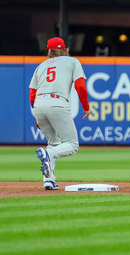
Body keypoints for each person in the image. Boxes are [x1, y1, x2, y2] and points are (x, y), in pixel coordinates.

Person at [29, 37, 90, 190]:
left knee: (53, 143)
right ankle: (48, 155)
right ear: (64, 49)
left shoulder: (41, 66)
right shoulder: (72, 61)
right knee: (72, 145)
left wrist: (38, 115)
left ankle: (48, 180)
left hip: (38, 105)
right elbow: (80, 86)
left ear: (49, 51)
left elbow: (32, 94)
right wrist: (86, 106)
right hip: (57, 102)